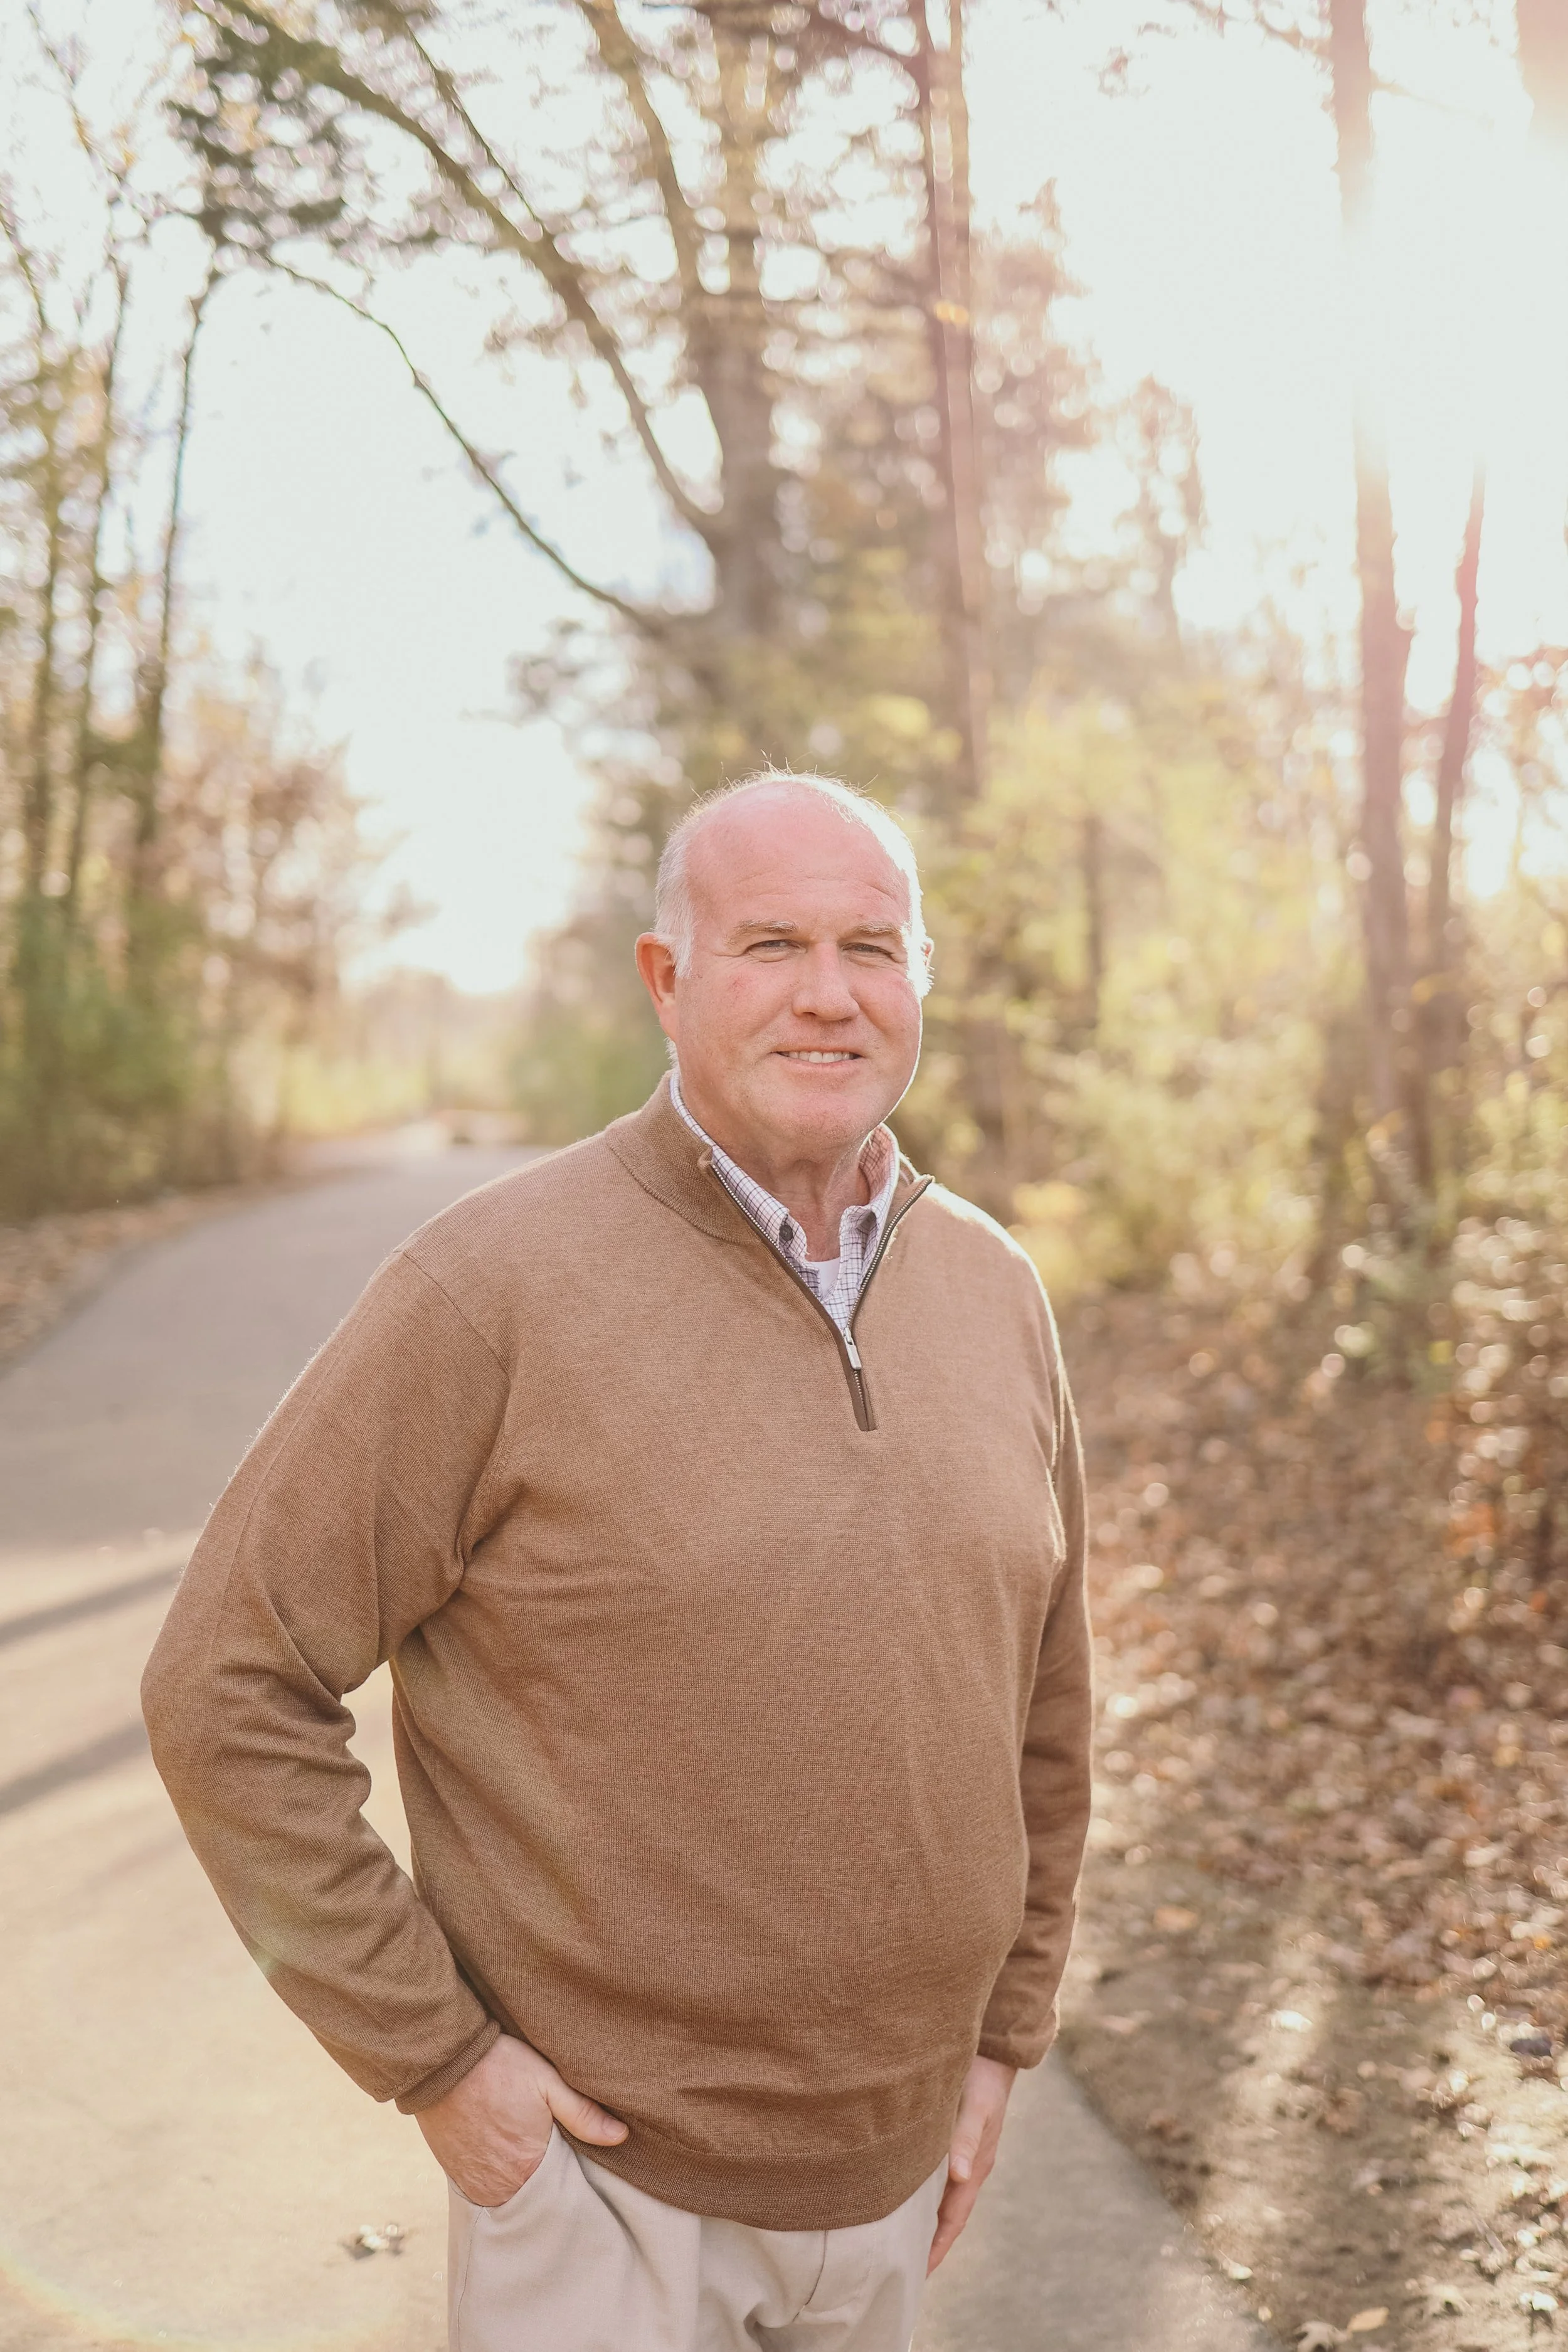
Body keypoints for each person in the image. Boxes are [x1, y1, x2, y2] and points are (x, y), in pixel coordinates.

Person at [142, 770, 1092, 2352]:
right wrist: (439, 2064)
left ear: (920, 980)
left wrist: (1003, 2037)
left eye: (871, 946)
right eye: (768, 944)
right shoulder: (492, 1286)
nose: (825, 994)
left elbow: (1045, 1710)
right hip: (599, 2205)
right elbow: (224, 1681)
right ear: (666, 983)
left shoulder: (993, 1290)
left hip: (898, 2183)